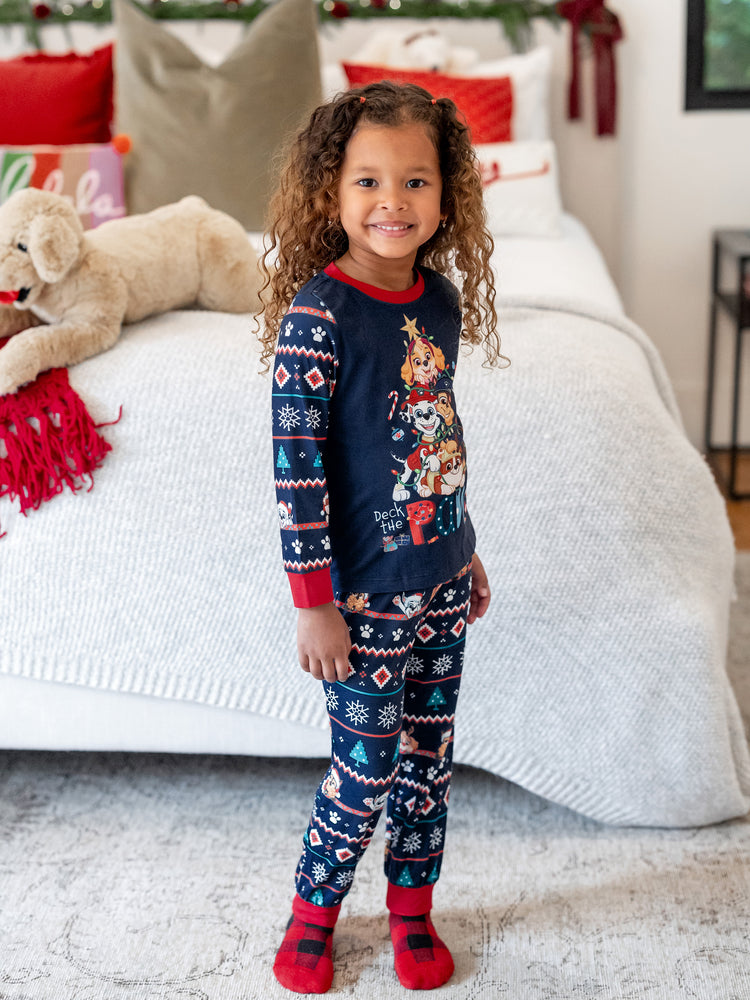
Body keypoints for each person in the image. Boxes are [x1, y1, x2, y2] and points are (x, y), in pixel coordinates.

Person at [257, 80, 507, 994]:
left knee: (428, 761)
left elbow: (435, 440)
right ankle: (313, 917)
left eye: (415, 182)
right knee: (362, 772)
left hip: (440, 576)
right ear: (331, 194)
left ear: (447, 199)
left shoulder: (436, 303)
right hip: (361, 600)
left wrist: (463, 542)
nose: (391, 203)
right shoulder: (319, 319)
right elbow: (298, 473)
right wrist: (314, 604)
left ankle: (412, 913)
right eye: (367, 181)